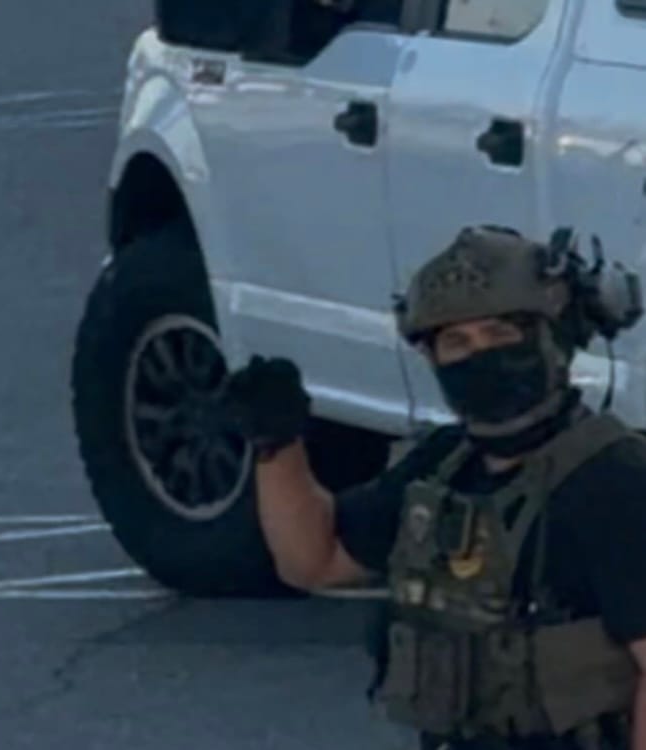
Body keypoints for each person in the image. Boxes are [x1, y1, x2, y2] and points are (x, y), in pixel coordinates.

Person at [225, 225, 646, 750]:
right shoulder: (443, 466)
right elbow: (315, 560)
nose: (480, 356)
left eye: (500, 333)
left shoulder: (613, 481)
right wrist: (276, 447)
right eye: (456, 341)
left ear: (553, 335)